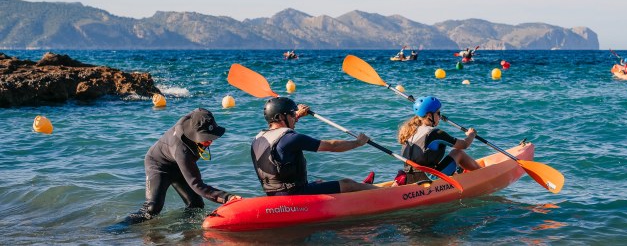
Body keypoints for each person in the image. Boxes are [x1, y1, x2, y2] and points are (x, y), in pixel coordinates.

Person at [126, 108, 242, 224]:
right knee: (151, 209)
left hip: (177, 164)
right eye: (205, 138)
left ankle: (187, 234)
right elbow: (197, 184)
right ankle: (115, 230)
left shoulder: (194, 119)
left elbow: (199, 111)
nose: (209, 141)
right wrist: (228, 197)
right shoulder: (182, 150)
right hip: (158, 165)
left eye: (210, 136)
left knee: (196, 206)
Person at [251, 97, 379, 195]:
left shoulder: (258, 139)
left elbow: (281, 141)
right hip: (295, 194)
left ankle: (366, 189)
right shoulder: (291, 138)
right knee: (348, 184)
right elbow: (332, 146)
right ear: (280, 117)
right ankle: (387, 192)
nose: (295, 119)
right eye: (292, 115)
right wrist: (358, 142)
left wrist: (297, 114)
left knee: (319, 183)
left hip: (273, 194)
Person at [395, 96, 482, 185]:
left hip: (408, 178)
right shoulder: (435, 133)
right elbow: (464, 144)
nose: (440, 117)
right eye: (438, 113)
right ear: (429, 116)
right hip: (427, 179)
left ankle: (458, 173)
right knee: (457, 153)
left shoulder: (410, 132)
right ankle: (483, 173)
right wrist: (471, 134)